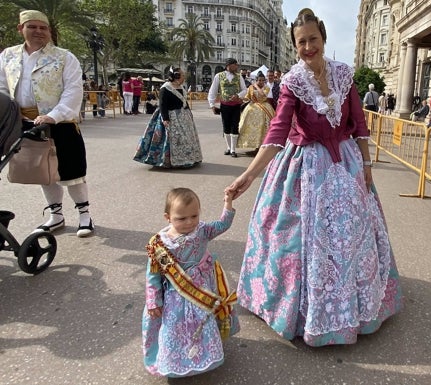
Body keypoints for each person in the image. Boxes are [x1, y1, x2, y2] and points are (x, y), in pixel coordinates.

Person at [224, 8, 402, 347]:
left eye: (313, 39)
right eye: (301, 42)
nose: (308, 46)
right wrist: (248, 175)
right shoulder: (292, 82)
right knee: (293, 237)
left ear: (323, 38)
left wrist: (366, 164)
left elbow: (359, 124)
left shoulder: (344, 74)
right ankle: (300, 309)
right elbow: (278, 131)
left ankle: (354, 306)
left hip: (347, 162)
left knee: (353, 235)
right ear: (295, 45)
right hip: (305, 165)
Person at [0, 10, 95, 237]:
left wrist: (54, 115)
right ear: (20, 29)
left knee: (72, 171)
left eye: (43, 28)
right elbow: (2, 89)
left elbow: (73, 90)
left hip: (61, 122)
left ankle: (84, 215)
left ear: (49, 31)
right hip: (23, 123)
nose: (38, 32)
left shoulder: (65, 57)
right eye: (32, 27)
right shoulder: (7, 56)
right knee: (43, 171)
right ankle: (56, 215)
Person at [142, 187, 239, 377]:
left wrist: (228, 202)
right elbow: (152, 274)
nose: (189, 222)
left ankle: (206, 356)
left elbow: (223, 224)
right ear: (167, 217)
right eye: (181, 218)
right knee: (176, 328)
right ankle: (176, 362)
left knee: (204, 322)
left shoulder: (202, 230)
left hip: (203, 289)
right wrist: (153, 300)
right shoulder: (159, 244)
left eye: (194, 216)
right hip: (175, 296)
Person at [133, 67, 202, 168]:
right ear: (176, 76)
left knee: (185, 138)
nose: (184, 78)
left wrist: (189, 113)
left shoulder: (181, 87)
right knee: (172, 138)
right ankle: (167, 160)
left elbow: (184, 102)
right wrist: (165, 119)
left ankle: (188, 158)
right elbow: (162, 104)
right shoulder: (165, 88)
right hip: (171, 116)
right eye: (182, 75)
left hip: (183, 116)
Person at [208, 58, 247, 158]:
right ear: (228, 65)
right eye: (235, 64)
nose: (237, 66)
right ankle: (229, 147)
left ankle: (233, 149)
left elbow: (245, 90)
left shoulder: (239, 77)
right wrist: (212, 105)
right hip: (224, 105)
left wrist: (238, 95)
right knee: (226, 126)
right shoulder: (219, 76)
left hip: (236, 105)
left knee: (235, 126)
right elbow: (213, 90)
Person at [237, 71, 275, 154]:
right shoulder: (250, 87)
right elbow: (247, 97)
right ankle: (254, 147)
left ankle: (262, 148)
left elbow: (263, 95)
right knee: (248, 127)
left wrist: (256, 86)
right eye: (259, 80)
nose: (261, 82)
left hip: (264, 108)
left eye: (262, 80)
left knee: (263, 128)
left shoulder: (266, 87)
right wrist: (242, 99)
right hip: (252, 108)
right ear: (256, 80)